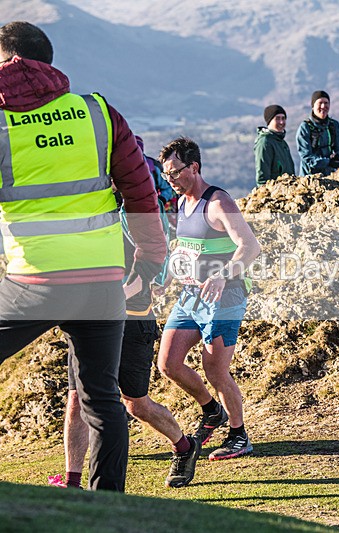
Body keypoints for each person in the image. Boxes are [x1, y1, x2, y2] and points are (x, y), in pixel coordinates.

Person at [0, 21, 166, 492]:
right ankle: (108, 506)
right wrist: (150, 260)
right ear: (49, 61)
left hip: (33, 282)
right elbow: (141, 192)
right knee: (102, 398)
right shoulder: (98, 113)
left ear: (8, 60)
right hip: (102, 281)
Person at [49, 185, 202, 489]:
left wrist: (113, 297)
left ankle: (185, 446)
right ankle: (72, 482)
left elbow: (153, 274)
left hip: (133, 322)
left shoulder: (135, 218)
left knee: (136, 405)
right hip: (91, 324)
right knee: (77, 399)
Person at [157, 137, 261, 461]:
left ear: (194, 167)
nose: (170, 179)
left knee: (215, 371)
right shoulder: (181, 203)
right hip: (190, 296)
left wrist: (223, 274)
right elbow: (184, 249)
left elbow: (250, 246)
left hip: (225, 297)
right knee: (168, 363)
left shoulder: (217, 202)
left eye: (175, 172)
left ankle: (239, 435)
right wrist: (165, 280)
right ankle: (212, 410)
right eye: (166, 174)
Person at [296, 90, 339, 176]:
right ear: (313, 106)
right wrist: (327, 162)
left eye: (326, 103)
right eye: (320, 103)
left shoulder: (333, 125)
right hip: (309, 177)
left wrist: (338, 157)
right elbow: (306, 156)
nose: (323, 106)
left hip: (330, 175)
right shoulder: (305, 127)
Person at [254, 104, 294, 185]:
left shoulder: (282, 143)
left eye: (283, 118)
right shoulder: (265, 142)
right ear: (269, 121)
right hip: (274, 190)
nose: (281, 122)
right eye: (277, 118)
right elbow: (262, 177)